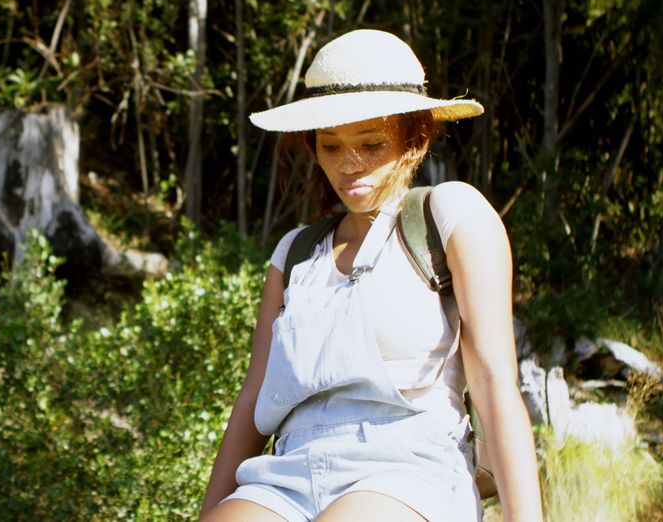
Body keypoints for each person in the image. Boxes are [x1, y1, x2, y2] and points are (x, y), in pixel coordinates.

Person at [198, 29, 543, 521]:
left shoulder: (449, 215)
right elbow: (254, 395)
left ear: (415, 138)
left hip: (408, 466)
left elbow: (492, 380)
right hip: (286, 472)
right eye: (331, 146)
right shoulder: (295, 253)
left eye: (371, 143)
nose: (349, 164)